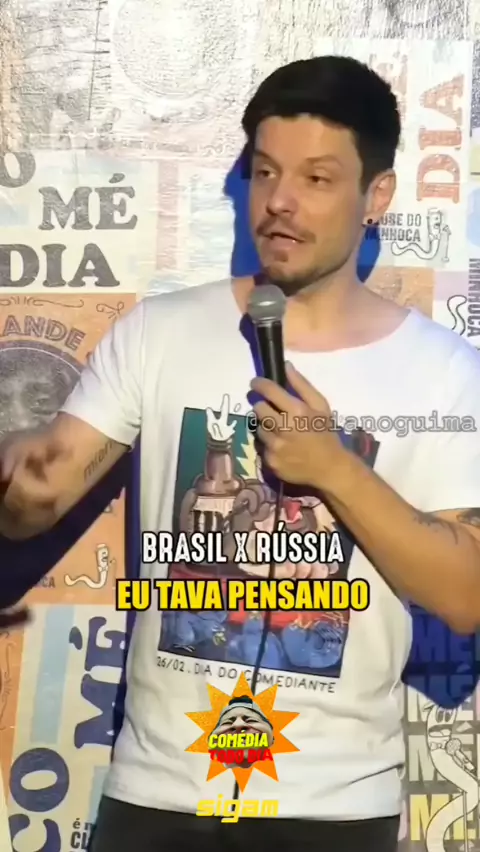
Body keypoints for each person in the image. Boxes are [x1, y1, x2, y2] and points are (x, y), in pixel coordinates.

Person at [1, 55, 480, 852]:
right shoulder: (160, 333)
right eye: (265, 172)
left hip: (334, 808)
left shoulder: (447, 372)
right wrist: (21, 480)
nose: (281, 201)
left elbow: (467, 596)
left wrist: (335, 470)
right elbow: (36, 500)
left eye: (318, 178)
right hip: (156, 795)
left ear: (378, 196)